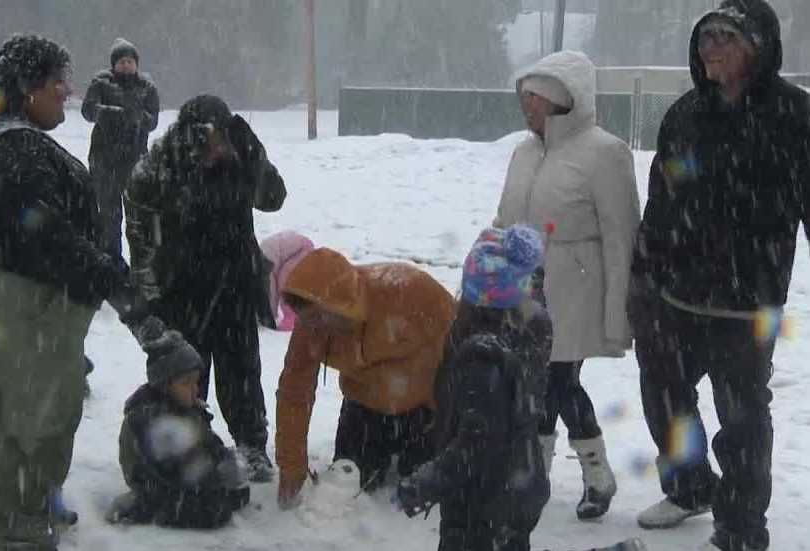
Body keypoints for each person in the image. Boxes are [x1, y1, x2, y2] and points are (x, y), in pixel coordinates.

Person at [0, 34, 191, 551]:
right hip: (25, 307)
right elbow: (52, 240)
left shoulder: (2, 142)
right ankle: (22, 528)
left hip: (19, 305)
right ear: (27, 88)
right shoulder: (12, 151)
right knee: (35, 422)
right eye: (58, 81)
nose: (68, 90)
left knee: (19, 416)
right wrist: (123, 294)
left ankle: (27, 511)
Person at [629, 2, 810, 550]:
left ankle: (740, 525)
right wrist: (643, 273)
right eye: (705, 36)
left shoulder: (794, 117)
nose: (710, 47)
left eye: (725, 37)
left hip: (745, 302)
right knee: (665, 399)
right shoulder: (686, 113)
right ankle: (688, 488)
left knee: (743, 417)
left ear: (757, 46)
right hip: (674, 295)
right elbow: (662, 197)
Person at [393, 226, 645, 551]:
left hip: (483, 497)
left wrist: (426, 482)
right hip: (520, 479)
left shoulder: (480, 362)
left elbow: (475, 444)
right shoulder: (532, 329)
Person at [493, 49, 641, 520]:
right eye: (525, 97)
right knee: (534, 383)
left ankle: (583, 474)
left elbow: (623, 236)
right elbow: (504, 220)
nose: (526, 106)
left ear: (562, 99)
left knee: (556, 382)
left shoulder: (604, 152)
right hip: (522, 290)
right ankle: (548, 472)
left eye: (534, 97)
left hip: (574, 290)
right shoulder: (523, 151)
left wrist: (619, 313)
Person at [125, 95, 286, 483]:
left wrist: (251, 152)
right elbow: (140, 240)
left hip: (233, 283)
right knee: (185, 372)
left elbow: (273, 198)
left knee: (242, 369)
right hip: (180, 288)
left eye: (223, 142)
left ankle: (251, 443)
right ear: (192, 138)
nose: (219, 151)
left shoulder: (239, 157)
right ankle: (183, 442)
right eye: (212, 143)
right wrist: (149, 300)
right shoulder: (157, 169)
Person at [274, 247, 454, 508]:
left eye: (320, 318)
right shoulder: (310, 324)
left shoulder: (410, 292)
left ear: (339, 304)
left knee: (419, 484)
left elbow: (455, 352)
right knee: (351, 482)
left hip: (423, 406)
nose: (314, 329)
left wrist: (444, 418)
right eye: (308, 320)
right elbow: (294, 391)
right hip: (363, 407)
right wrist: (291, 465)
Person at [108, 339, 250, 528]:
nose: (195, 389)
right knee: (213, 511)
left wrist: (222, 460)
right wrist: (206, 478)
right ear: (165, 385)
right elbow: (169, 468)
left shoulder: (187, 407)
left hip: (183, 468)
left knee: (237, 492)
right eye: (186, 383)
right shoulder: (150, 417)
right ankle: (139, 505)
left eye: (196, 382)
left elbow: (207, 441)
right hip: (153, 478)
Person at [81, 38, 159, 258]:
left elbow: (152, 121)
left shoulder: (147, 88)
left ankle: (141, 268)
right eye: (121, 61)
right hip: (104, 161)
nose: (126, 65)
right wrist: (114, 114)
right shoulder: (101, 83)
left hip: (136, 162)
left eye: (130, 61)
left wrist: (137, 116)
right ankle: (111, 267)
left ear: (136, 64)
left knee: (139, 220)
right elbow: (88, 111)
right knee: (108, 219)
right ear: (113, 64)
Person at [259, 230, 315, 331]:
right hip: (295, 247)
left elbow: (272, 291)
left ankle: (291, 317)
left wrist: (270, 315)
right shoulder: (259, 261)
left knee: (286, 285)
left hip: (298, 251)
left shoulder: (264, 270)